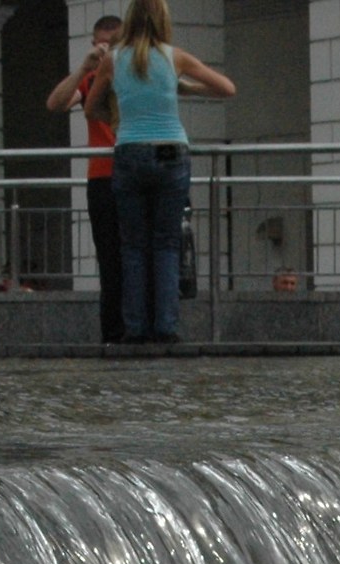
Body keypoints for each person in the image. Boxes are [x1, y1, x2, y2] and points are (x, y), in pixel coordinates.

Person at [109, 0, 236, 346]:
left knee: (133, 246)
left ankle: (135, 328)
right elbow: (226, 88)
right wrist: (187, 88)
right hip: (170, 150)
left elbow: (92, 107)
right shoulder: (174, 57)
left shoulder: (114, 58)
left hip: (130, 150)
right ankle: (166, 326)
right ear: (164, 20)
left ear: (129, 19)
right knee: (166, 244)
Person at [46, 14, 127, 344]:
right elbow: (56, 103)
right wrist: (84, 67)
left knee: (135, 256)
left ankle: (137, 326)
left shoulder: (137, 71)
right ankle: (113, 331)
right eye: (100, 44)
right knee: (109, 258)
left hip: (130, 169)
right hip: (102, 176)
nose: (106, 50)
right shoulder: (91, 76)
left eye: (112, 44)